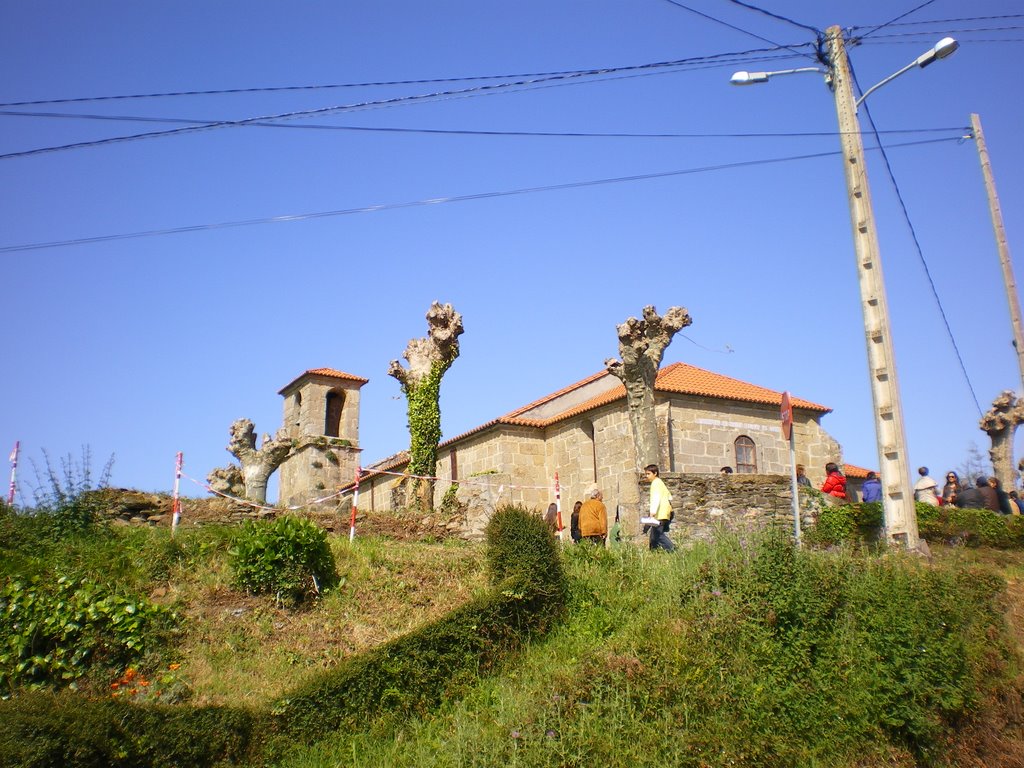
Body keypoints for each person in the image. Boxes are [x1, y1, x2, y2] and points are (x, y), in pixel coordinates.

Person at [644, 464, 675, 552]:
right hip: (664, 513)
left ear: (655, 473)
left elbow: (655, 498)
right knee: (654, 537)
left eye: (648, 474)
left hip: (660, 513)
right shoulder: (660, 483)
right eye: (646, 474)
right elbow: (669, 497)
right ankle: (654, 554)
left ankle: (674, 551)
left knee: (658, 535)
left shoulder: (656, 483)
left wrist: (652, 513)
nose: (647, 476)